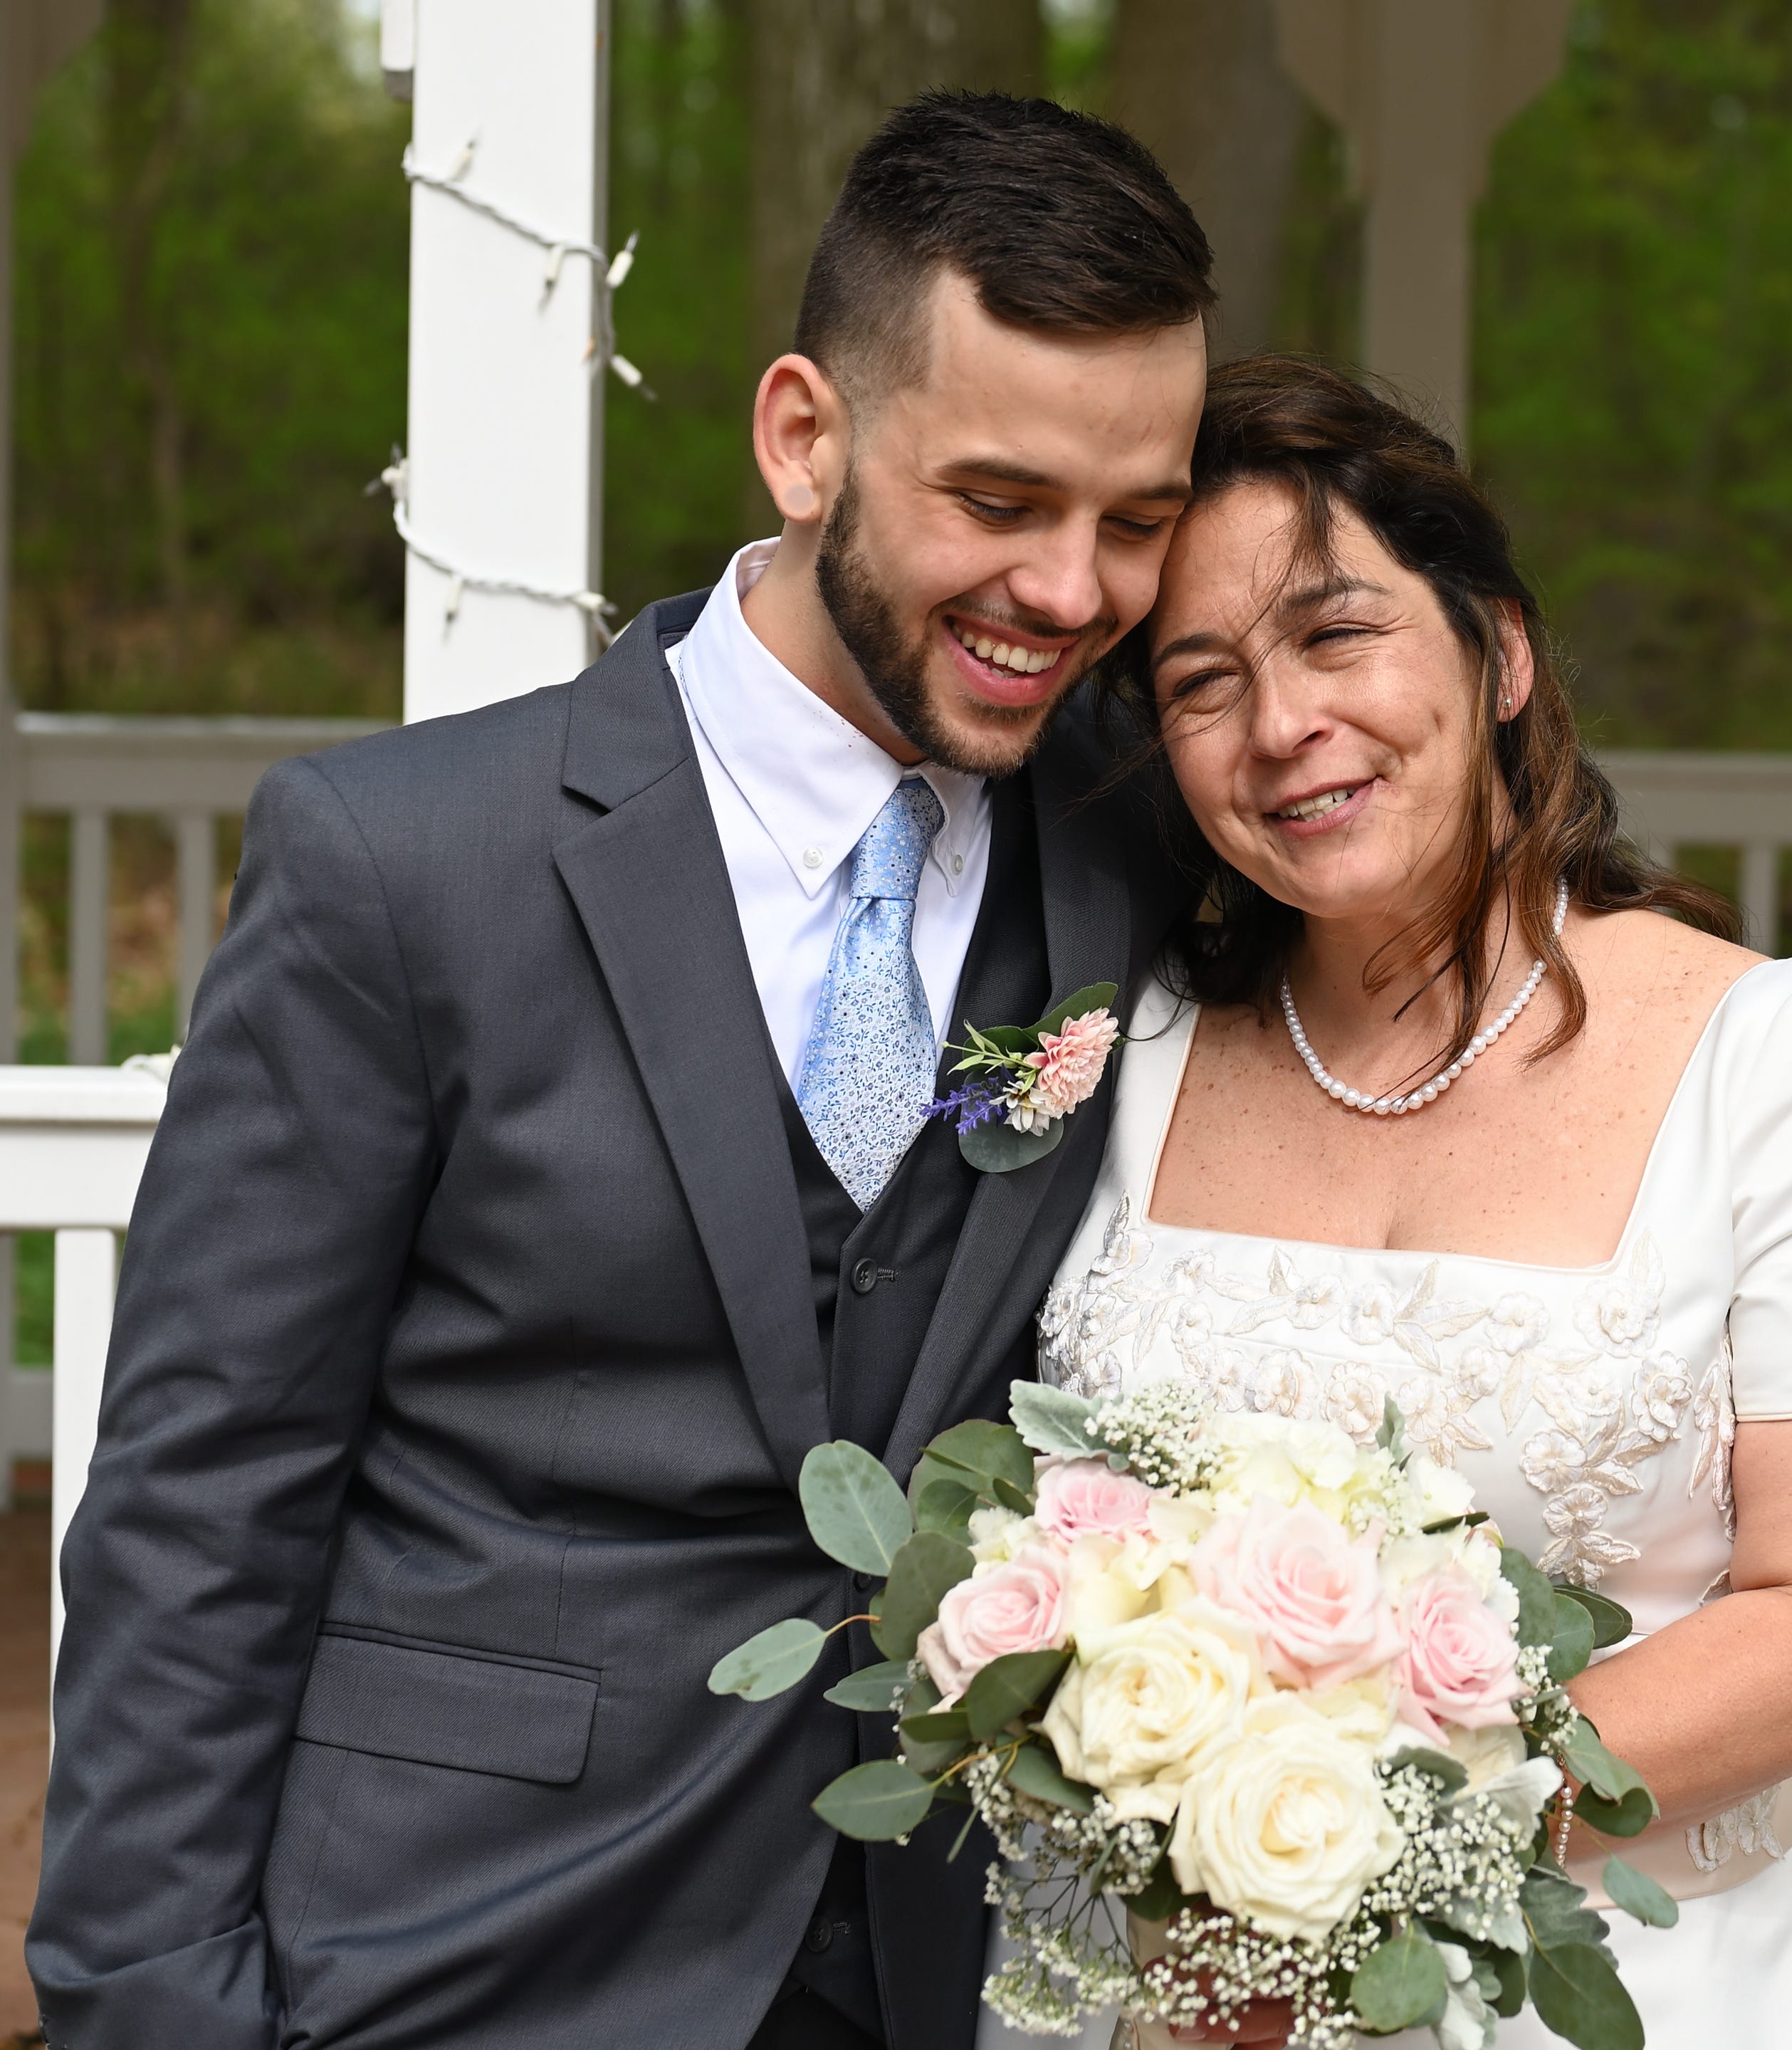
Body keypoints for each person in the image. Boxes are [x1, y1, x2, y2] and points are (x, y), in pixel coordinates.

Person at [29, 93, 1211, 2050]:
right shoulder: (402, 862)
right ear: (804, 435)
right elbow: (202, 1506)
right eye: (1000, 505)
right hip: (458, 1953)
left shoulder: (1131, 843)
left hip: (936, 1973)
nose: (1075, 594)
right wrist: (153, 2010)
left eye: (1139, 523)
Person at [1032, 357, 1792, 2049]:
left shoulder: (1781, 1059)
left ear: (1501, 651)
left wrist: (1346, 1854)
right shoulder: (1125, 1060)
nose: (1283, 726)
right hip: (1156, 2002)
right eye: (1202, 683)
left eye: (1339, 637)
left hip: (1635, 1987)